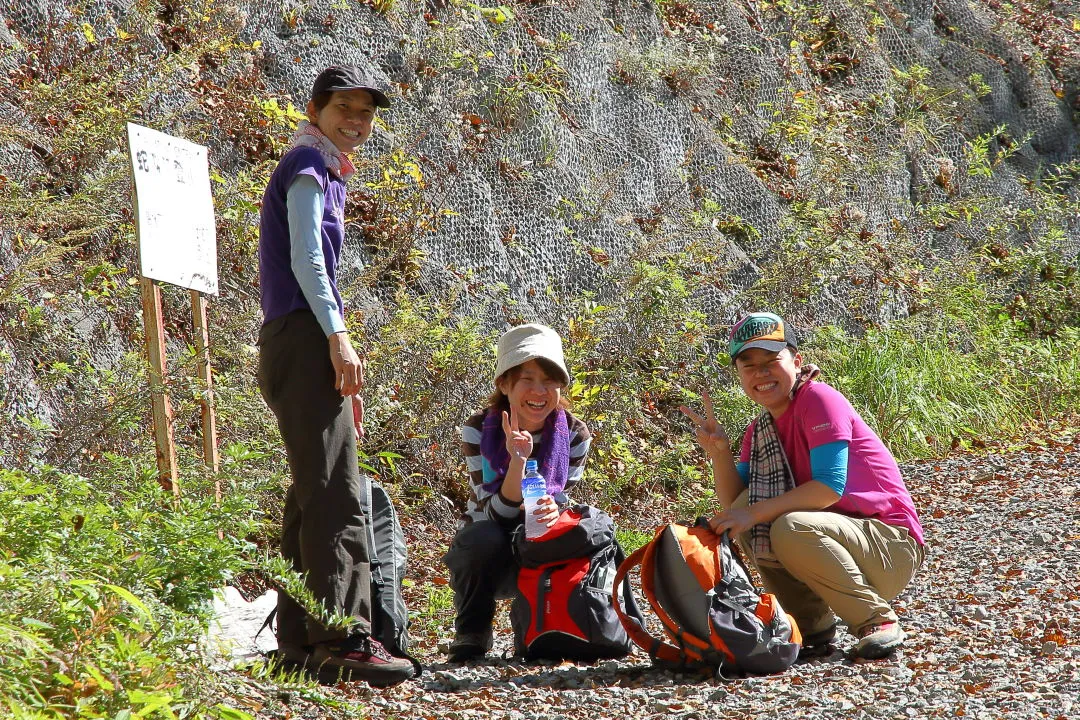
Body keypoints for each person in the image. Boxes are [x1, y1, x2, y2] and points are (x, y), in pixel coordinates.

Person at [256, 65, 414, 685]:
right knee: (337, 491)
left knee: (309, 491)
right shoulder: (306, 167)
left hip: (296, 338)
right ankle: (344, 638)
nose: (356, 120)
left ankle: (299, 639)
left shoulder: (322, 169)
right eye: (344, 107)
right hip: (303, 335)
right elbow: (305, 260)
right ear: (317, 109)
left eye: (365, 112)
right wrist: (338, 339)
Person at [680, 312, 925, 660]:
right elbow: (738, 507)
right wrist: (720, 453)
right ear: (739, 375)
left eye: (771, 360)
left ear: (796, 361)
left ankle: (876, 621)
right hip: (832, 544)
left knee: (784, 524)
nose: (761, 372)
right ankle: (809, 629)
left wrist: (751, 513)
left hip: (889, 546)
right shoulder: (759, 429)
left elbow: (828, 488)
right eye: (749, 365)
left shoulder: (819, 399)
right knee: (750, 518)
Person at [442, 324, 593, 662]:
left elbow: (559, 499)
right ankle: (472, 631)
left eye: (549, 381)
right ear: (505, 384)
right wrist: (517, 462)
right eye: (527, 379)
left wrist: (553, 510)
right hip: (488, 545)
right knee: (482, 537)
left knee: (566, 534)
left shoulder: (574, 434)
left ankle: (536, 629)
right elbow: (496, 514)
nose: (539, 391)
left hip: (539, 535)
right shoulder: (479, 429)